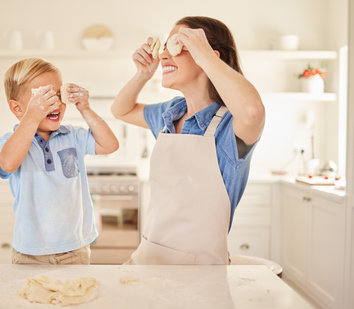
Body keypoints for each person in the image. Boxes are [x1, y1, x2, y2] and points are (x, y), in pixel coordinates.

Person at [111, 16, 265, 265]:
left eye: (177, 45)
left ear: (208, 55)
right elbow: (121, 110)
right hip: (149, 258)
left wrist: (206, 57)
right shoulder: (170, 113)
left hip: (200, 271)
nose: (162, 55)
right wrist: (142, 74)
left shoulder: (228, 127)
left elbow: (253, 112)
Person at [0, 58, 119, 264]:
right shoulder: (11, 142)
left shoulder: (73, 136)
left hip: (74, 248)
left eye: (58, 95)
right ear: (18, 109)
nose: (56, 103)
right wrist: (32, 118)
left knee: (75, 294)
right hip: (30, 250)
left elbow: (109, 145)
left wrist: (85, 108)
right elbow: (7, 164)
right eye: (43, 98)